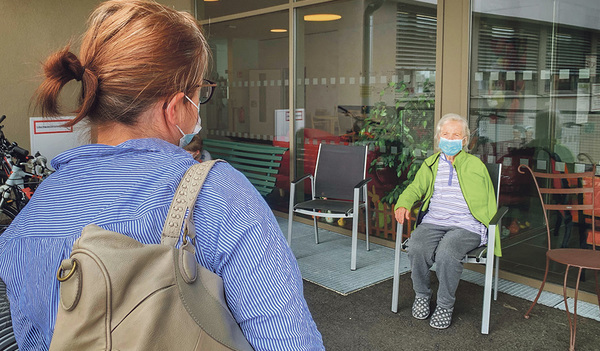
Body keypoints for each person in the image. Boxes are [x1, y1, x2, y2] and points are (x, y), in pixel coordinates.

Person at [0, 1, 324, 350]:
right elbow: (290, 342)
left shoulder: (26, 224)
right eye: (201, 95)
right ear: (174, 108)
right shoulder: (218, 197)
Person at [394, 113, 500, 329]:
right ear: (438, 137)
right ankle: (422, 295)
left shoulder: (474, 165)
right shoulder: (431, 164)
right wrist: (403, 203)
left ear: (464, 140)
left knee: (447, 251)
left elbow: (487, 200)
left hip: (466, 225)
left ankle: (444, 305)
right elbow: (416, 188)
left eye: (456, 135)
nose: (450, 139)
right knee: (417, 246)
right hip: (435, 221)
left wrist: (490, 230)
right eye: (446, 134)